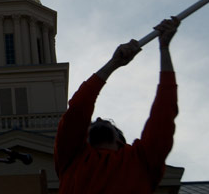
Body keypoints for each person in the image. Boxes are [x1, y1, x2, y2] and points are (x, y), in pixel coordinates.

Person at [54, 17, 180, 194]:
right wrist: (113, 64)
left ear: (121, 140)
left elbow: (164, 113)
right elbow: (78, 108)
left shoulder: (141, 159)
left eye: (105, 121)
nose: (97, 118)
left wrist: (164, 48)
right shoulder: (72, 156)